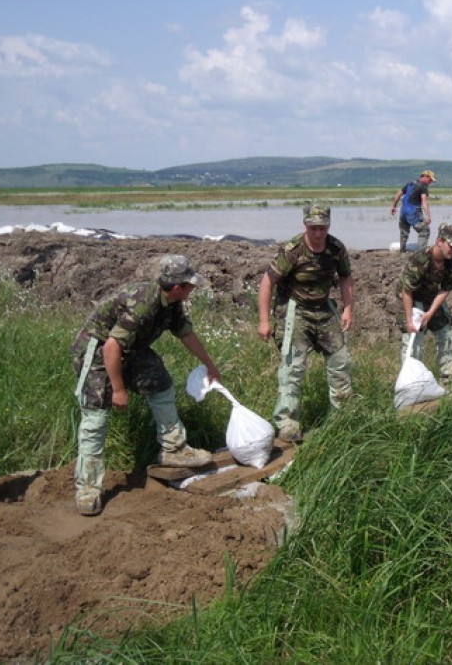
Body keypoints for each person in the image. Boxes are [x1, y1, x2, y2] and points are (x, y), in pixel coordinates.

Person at [70, 254, 221, 516]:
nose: (193, 289)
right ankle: (88, 488)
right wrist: (118, 389)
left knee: (160, 383)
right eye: (190, 285)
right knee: (96, 418)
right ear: (177, 286)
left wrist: (210, 364)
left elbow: (185, 333)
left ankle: (174, 449)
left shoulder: (171, 302)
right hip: (96, 352)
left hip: (130, 349)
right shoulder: (144, 303)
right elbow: (111, 346)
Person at [257, 202, 354, 443]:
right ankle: (287, 423)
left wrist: (348, 309)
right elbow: (267, 282)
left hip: (324, 309)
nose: (318, 233)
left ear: (328, 226)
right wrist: (264, 321)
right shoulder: (293, 250)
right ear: (306, 226)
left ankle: (341, 418)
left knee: (340, 361)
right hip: (296, 310)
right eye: (313, 228)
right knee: (293, 368)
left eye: (322, 228)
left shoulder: (336, 248)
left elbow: (346, 277)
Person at [397, 222, 452, 382]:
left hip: (432, 296)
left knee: (446, 333)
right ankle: (412, 380)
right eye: (451, 246)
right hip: (412, 297)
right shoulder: (420, 260)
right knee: (414, 338)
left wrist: (430, 313)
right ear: (439, 241)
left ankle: (449, 373)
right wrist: (409, 320)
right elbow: (406, 291)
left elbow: (445, 289)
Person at [390, 169, 437, 252]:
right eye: (430, 180)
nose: (430, 182)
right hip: (413, 213)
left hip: (403, 213)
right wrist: (428, 216)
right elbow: (424, 201)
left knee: (404, 233)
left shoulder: (410, 183)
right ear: (425, 177)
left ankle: (402, 251)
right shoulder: (423, 186)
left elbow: (398, 194)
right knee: (424, 230)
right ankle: (420, 254)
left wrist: (393, 206)